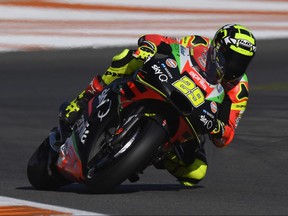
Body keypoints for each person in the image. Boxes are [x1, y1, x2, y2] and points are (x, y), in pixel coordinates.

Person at [59, 24, 257, 186]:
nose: (235, 67)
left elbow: (227, 134)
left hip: (192, 115)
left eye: (242, 62)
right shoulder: (198, 44)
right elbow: (162, 41)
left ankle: (157, 153)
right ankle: (83, 99)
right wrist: (149, 47)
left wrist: (216, 127)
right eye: (231, 59)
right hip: (167, 83)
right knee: (128, 58)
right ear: (216, 49)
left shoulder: (239, 88)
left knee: (196, 172)